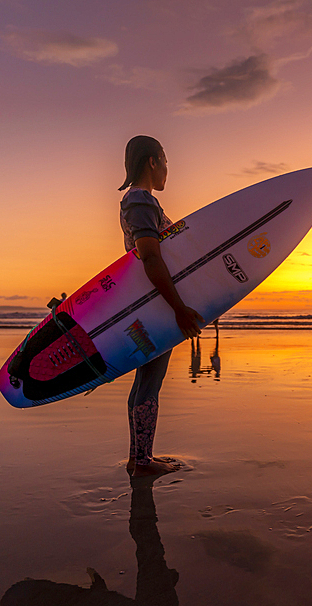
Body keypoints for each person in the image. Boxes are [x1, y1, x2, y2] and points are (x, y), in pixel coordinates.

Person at [119, 136, 204, 478]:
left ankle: (137, 457)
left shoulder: (140, 201)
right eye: (165, 161)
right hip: (156, 305)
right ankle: (142, 461)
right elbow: (150, 258)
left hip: (152, 303)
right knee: (150, 382)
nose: (168, 169)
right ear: (152, 162)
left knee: (145, 380)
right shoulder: (140, 200)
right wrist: (179, 308)